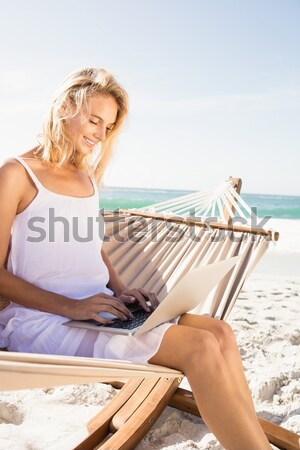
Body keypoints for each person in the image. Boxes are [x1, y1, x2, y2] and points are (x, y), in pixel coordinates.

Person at [0, 67, 271, 450]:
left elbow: (90, 245)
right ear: (64, 107)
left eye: (107, 127)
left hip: (102, 312)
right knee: (199, 348)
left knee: (219, 332)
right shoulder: (16, 174)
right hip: (43, 323)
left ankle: (251, 438)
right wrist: (72, 306)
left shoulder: (86, 178)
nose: (98, 134)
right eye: (94, 120)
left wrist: (122, 288)